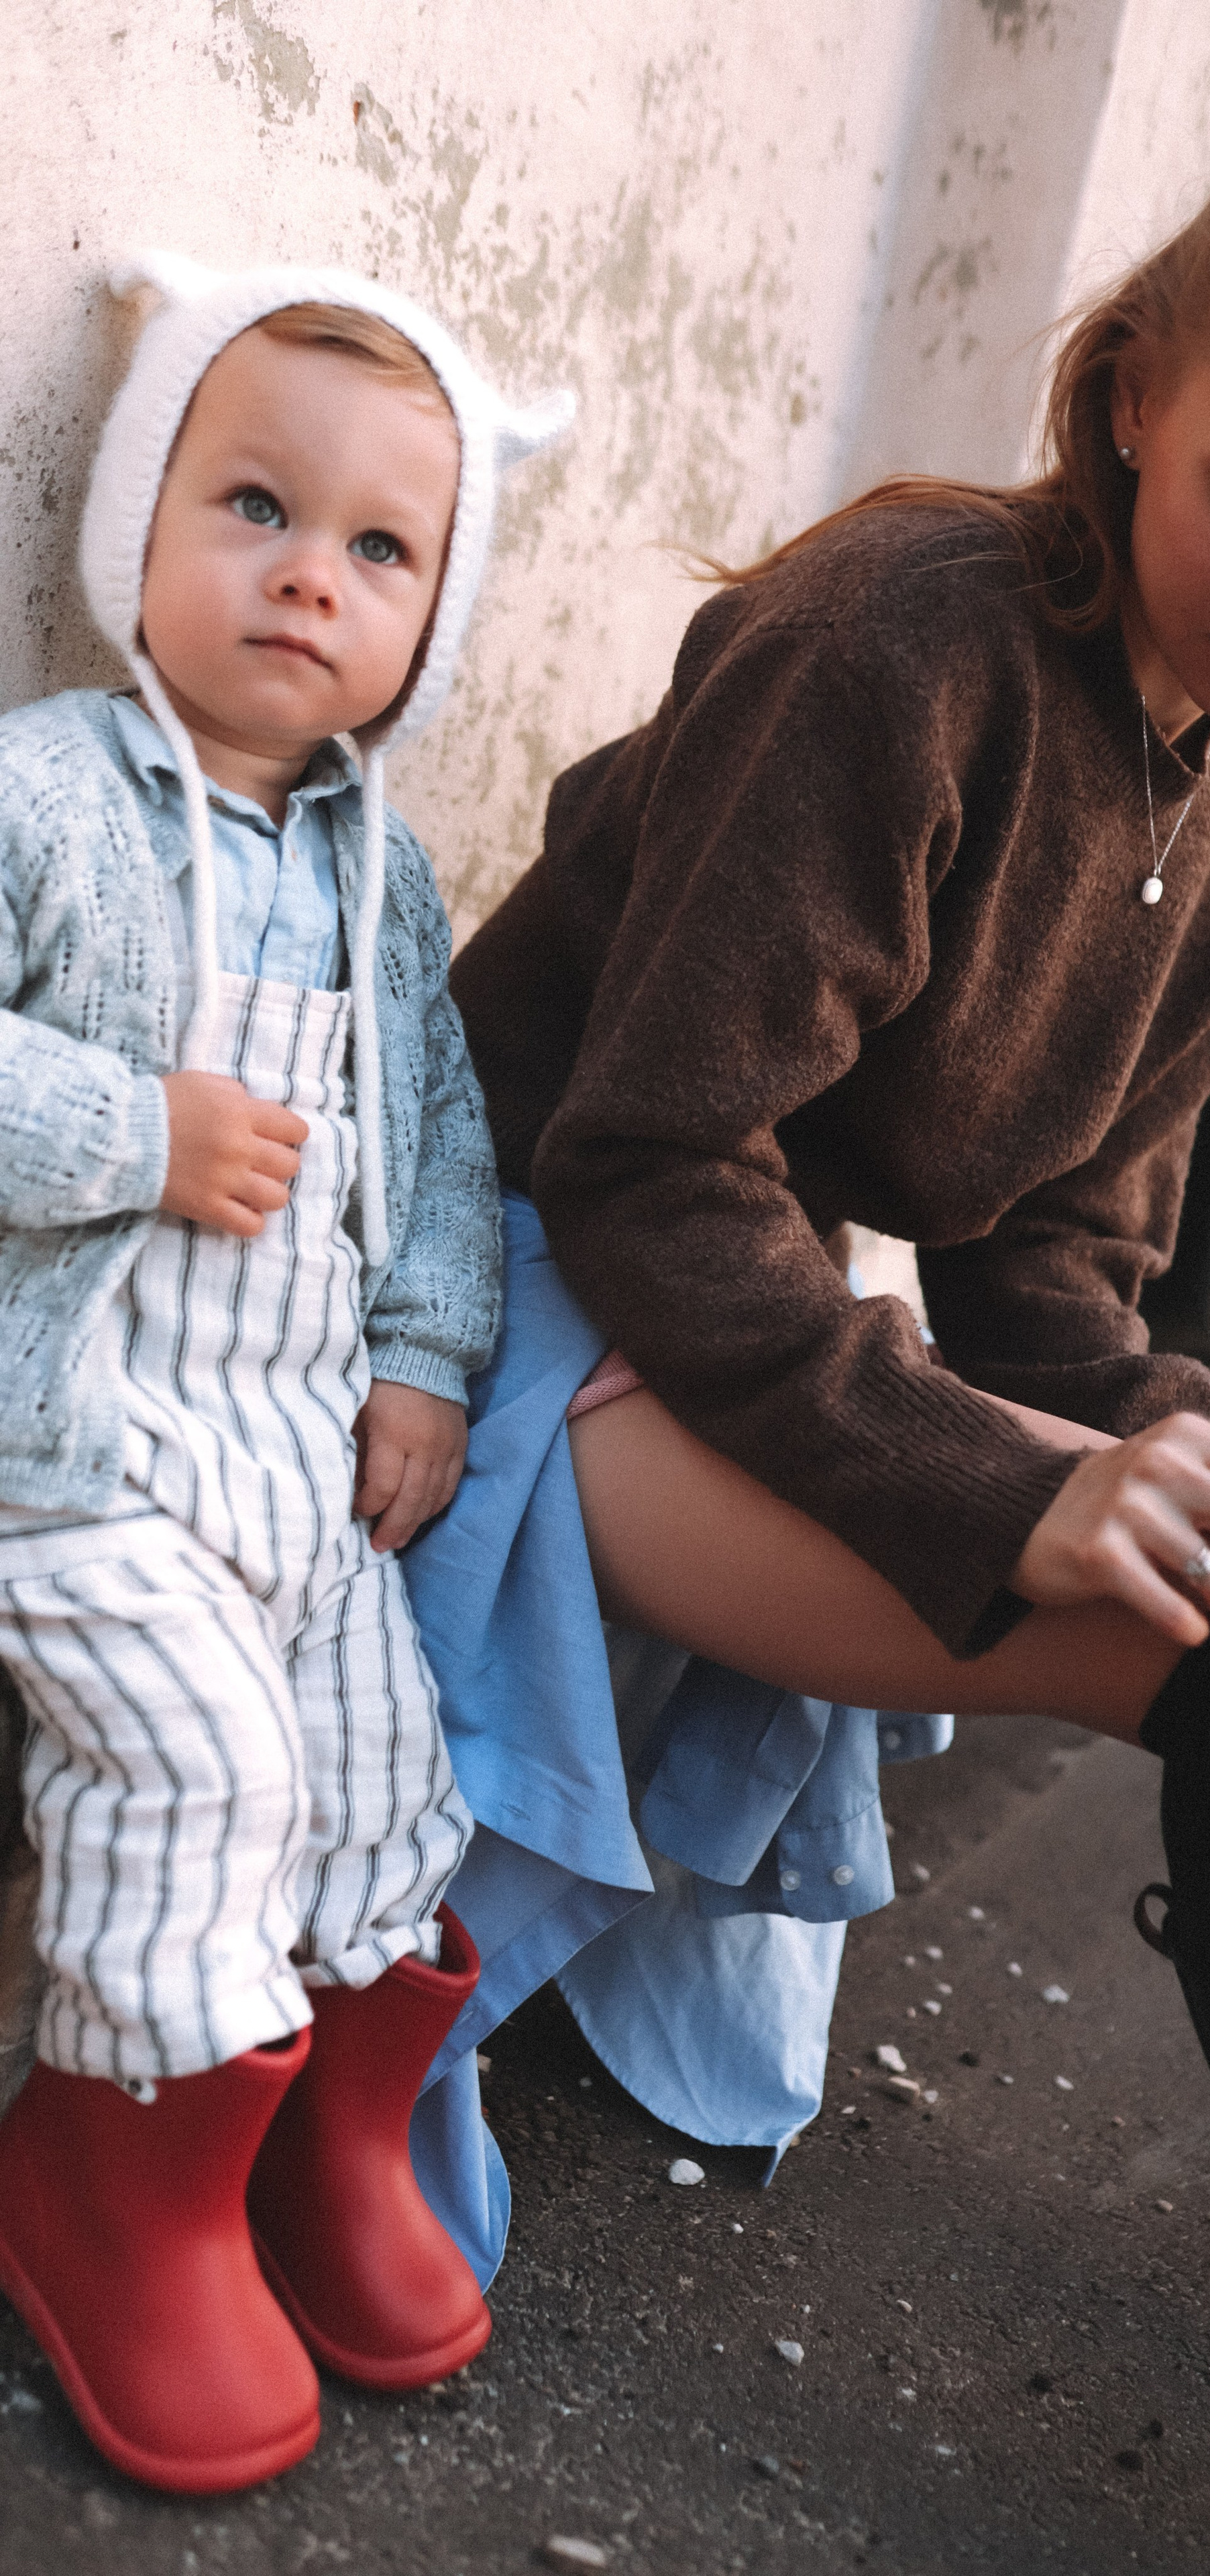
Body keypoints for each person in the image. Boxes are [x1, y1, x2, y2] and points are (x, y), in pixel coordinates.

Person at [417, 23, 1210, 2569]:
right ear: (1134, 398)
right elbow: (650, 1167)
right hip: (519, 1295)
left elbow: (1059, 1267)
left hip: (726, 1311)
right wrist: (1010, 1488)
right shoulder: (897, 646)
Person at [0, 253, 572, 2496]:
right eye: (254, 506)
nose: (308, 576)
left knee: (373, 1769)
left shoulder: (381, 881)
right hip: (76, 1451)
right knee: (206, 1774)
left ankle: (323, 2132)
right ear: (135, 519)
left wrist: (422, 1365)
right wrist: (129, 1134)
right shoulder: (44, 796)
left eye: (379, 547)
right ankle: (111, 2174)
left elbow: (438, 1151)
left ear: (432, 611)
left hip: (289, 1455)